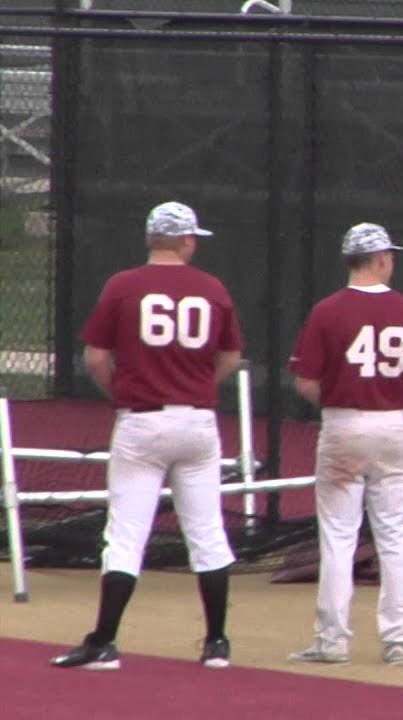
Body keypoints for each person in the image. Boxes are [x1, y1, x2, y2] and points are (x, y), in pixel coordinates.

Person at [51, 201, 242, 670]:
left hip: (142, 418)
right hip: (197, 420)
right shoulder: (212, 288)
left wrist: (125, 391)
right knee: (207, 532)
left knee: (126, 534)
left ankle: (105, 641)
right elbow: (231, 356)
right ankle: (217, 642)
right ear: (185, 240)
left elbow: (96, 356)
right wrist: (196, 388)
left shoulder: (123, 285)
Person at [286, 223, 403, 667]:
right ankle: (398, 639)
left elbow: (305, 382)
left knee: (338, 536)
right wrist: (389, 400)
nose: (392, 261)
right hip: (392, 424)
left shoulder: (327, 311)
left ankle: (332, 640)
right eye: (389, 255)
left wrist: (342, 403)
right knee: (394, 532)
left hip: (342, 424)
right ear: (379, 260)